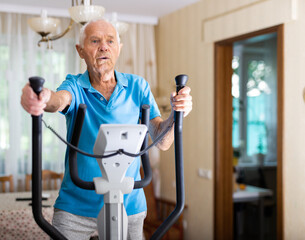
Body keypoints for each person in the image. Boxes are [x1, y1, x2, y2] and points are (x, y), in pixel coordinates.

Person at [21, 19, 192, 240]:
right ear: (80, 51)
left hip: (128, 205)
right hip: (76, 208)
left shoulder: (138, 87)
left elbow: (163, 141)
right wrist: (40, 95)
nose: (104, 46)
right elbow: (58, 100)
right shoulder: (74, 85)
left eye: (110, 41)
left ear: (118, 49)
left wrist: (177, 115)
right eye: (95, 41)